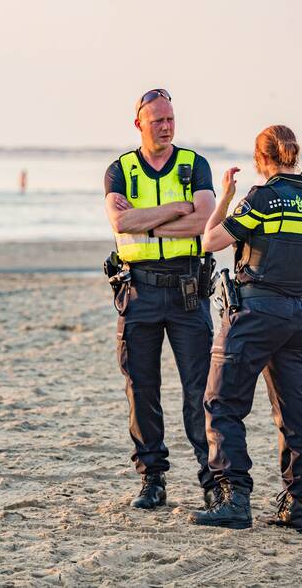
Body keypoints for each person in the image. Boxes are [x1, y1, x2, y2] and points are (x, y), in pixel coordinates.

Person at [188, 124, 302, 534]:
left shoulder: (261, 198)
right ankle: (299, 504)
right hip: (299, 314)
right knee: (294, 409)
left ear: (261, 158)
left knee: (222, 402)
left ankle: (234, 499)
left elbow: (210, 241)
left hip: (254, 312)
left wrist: (225, 199)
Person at [103, 88, 218, 511]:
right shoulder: (120, 170)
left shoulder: (194, 164)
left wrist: (146, 222)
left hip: (188, 290)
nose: (166, 127)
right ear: (139, 124)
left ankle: (213, 479)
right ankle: (153, 478)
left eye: (171, 119)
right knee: (141, 387)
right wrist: (176, 209)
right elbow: (120, 222)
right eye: (158, 121)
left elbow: (206, 220)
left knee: (200, 390)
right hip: (138, 291)